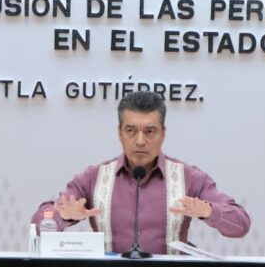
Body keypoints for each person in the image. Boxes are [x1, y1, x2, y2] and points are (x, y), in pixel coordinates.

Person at [32, 91, 250, 255]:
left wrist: (209, 212)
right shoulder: (93, 177)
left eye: (150, 131)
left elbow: (240, 225)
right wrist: (63, 216)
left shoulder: (190, 178)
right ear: (119, 133)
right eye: (131, 130)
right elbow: (40, 224)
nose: (139, 141)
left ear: (163, 134)